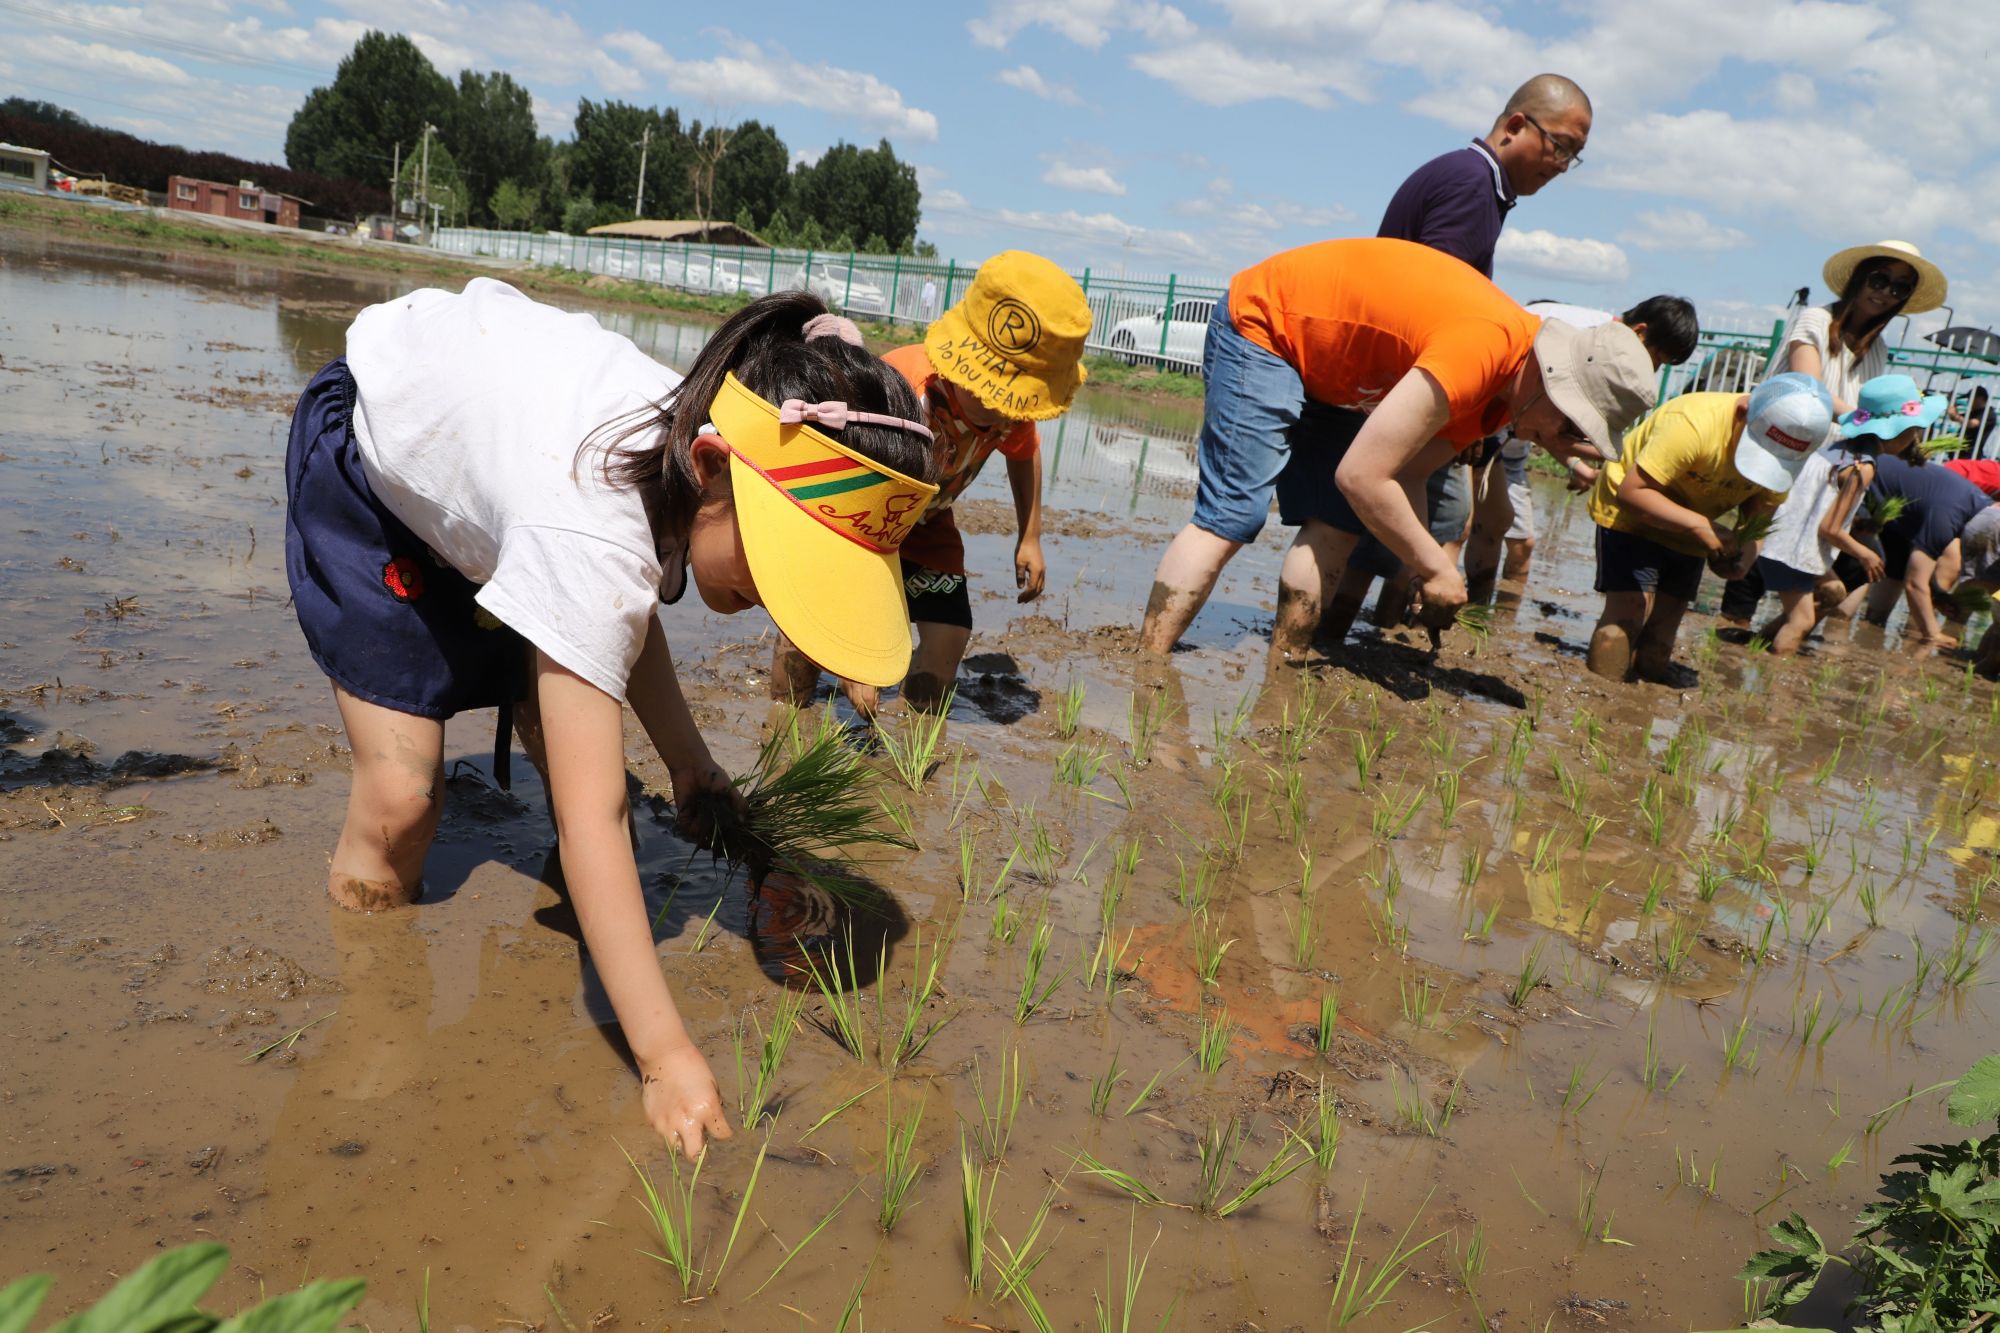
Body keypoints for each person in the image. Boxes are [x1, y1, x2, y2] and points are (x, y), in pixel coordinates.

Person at [284, 280, 940, 1161]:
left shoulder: (687, 445)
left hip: (507, 474)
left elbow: (624, 610)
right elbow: (595, 813)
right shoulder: (591, 521)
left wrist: (689, 761)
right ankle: (367, 982)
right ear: (709, 470)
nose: (774, 609)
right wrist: (663, 1054)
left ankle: (528, 682)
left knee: (572, 687)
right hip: (378, 469)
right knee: (403, 799)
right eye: (781, 568)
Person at [1136, 237, 1657, 658]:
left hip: (1340, 370)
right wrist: (1436, 568)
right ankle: (1148, 663)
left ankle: (1286, 664)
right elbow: (1362, 476)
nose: (1558, 445)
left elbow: (1406, 475)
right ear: (1552, 381)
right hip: (1269, 322)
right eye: (1569, 427)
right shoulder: (1483, 350)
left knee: (1337, 525)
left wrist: (1418, 562)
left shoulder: (1499, 403)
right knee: (1233, 514)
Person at [1324, 72, 1593, 631]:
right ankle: (1361, 633)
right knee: (1434, 518)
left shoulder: (1474, 183)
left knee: (1402, 516)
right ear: (1516, 125)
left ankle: (1352, 631)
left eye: (1574, 156)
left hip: (1400, 380)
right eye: (1560, 146)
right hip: (1413, 383)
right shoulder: (1472, 186)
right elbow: (1437, 299)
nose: (1562, 165)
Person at [772, 251, 1089, 714]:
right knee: (810, 629)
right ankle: (784, 711)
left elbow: (1025, 455)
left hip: (927, 522)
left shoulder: (1013, 413)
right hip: (853, 516)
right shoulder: (904, 389)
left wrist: (1031, 535)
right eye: (990, 394)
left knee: (951, 631)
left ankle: (913, 727)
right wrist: (856, 655)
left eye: (1017, 402)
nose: (1003, 412)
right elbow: (858, 494)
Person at [1718, 240, 1948, 625]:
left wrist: (1898, 433)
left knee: (1847, 563)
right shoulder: (1814, 320)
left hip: (1828, 466)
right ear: (1859, 278)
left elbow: (1871, 411)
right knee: (1760, 547)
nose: (1885, 292)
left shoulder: (1878, 349)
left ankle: (1768, 635)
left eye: (1899, 287)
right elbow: (1812, 389)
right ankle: (1731, 630)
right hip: (1783, 447)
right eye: (1880, 278)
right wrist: (1874, 419)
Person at [1584, 374, 1835, 682]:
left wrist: (1742, 558)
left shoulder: (1788, 455)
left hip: (1697, 519)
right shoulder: (1693, 424)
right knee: (1631, 608)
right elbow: (1632, 493)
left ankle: (1643, 690)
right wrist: (1699, 525)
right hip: (1632, 508)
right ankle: (1601, 692)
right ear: (1743, 411)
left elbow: (1759, 516)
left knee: (1665, 627)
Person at [1463, 295, 1700, 594]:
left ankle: (1478, 619)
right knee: (1463, 524)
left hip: (1510, 429)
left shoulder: (1602, 347)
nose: (1651, 371)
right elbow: (1508, 378)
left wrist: (1577, 465)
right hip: (1481, 412)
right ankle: (1442, 609)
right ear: (1640, 332)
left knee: (1513, 537)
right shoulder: (1588, 337)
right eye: (1656, 360)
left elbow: (1548, 427)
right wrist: (1472, 429)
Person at [1845, 377, 1987, 648]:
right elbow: (1915, 583)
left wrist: (1939, 595)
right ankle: (1837, 626)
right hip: (1868, 495)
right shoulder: (1949, 517)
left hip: (1902, 516)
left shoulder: (1969, 509)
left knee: (1890, 576)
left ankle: (1867, 631)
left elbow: (1916, 577)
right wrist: (1932, 635)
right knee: (1859, 569)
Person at [1748, 426, 1881, 657]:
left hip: (1787, 538)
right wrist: (1865, 554)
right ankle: (1773, 675)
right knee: (1802, 621)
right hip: (1793, 547)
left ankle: (1759, 645)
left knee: (1834, 592)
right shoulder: (1863, 467)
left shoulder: (1835, 449)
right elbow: (1830, 528)